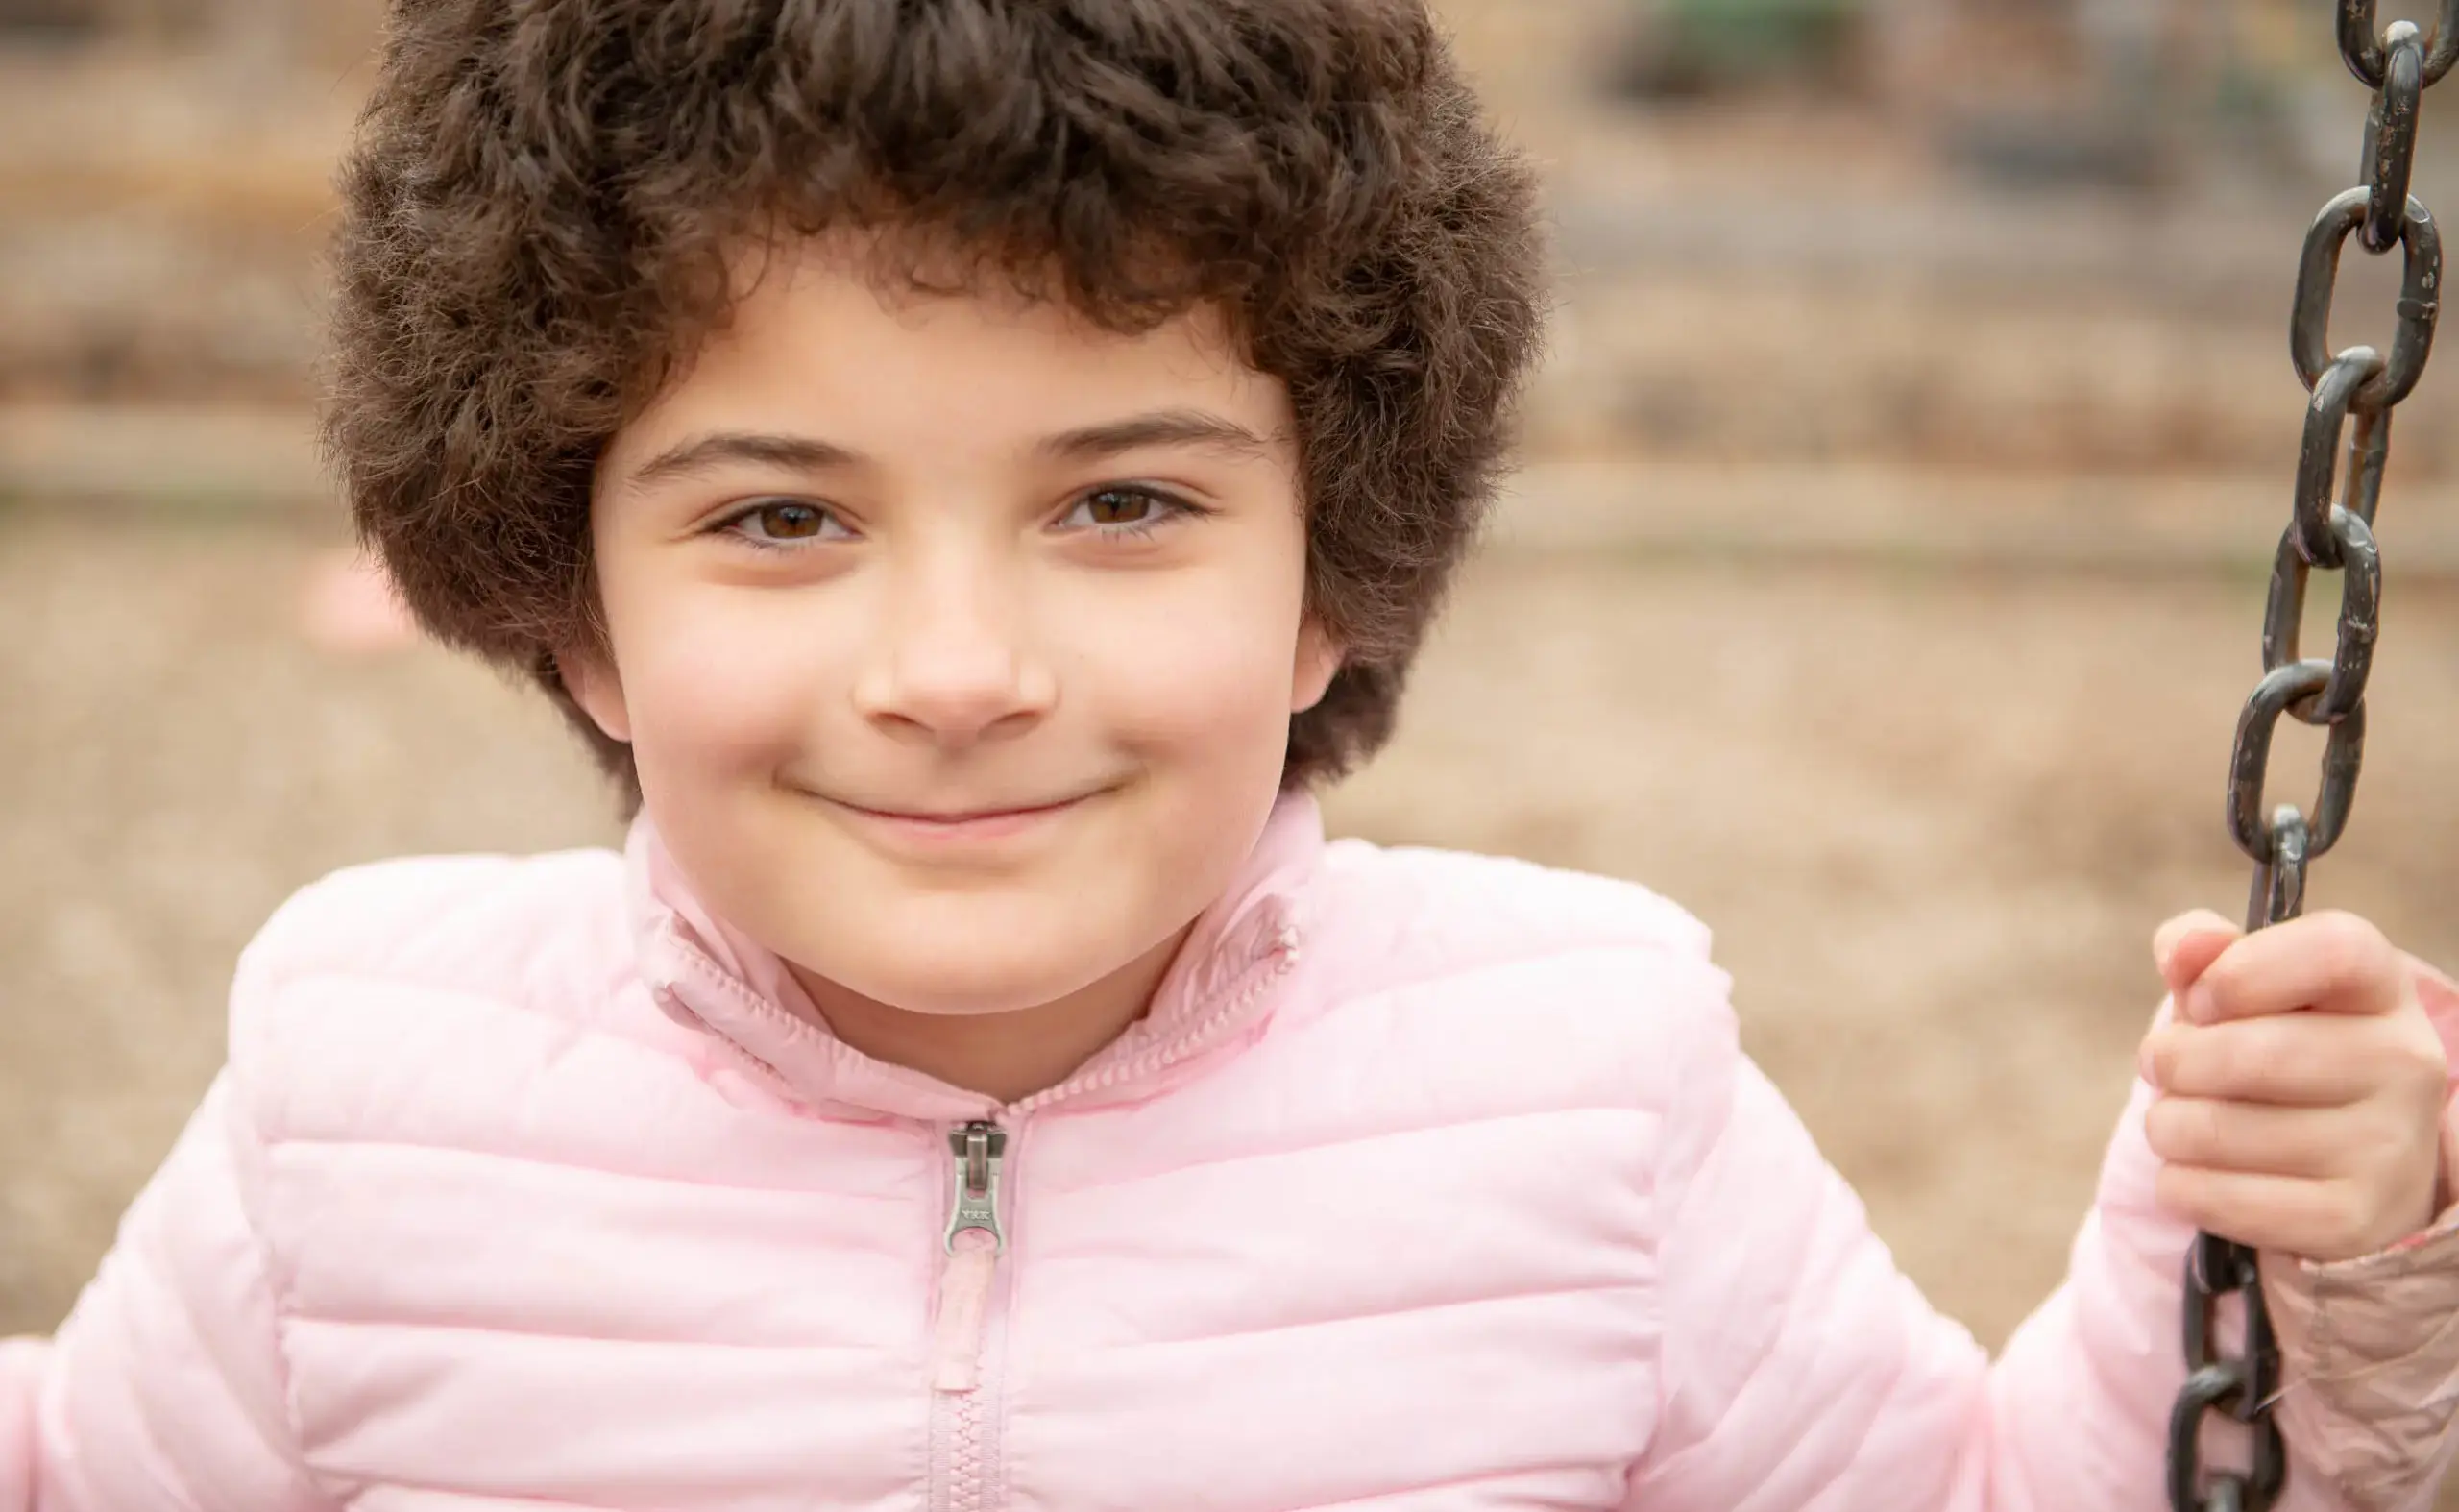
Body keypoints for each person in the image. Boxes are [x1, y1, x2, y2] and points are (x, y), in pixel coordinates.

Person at [8, 2, 2459, 1508]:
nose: (954, 666)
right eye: (778, 516)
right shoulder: (369, 1084)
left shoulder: (1576, 1080)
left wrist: (2280, 1240)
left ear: (1325, 576)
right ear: (569, 607)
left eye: (1120, 501)